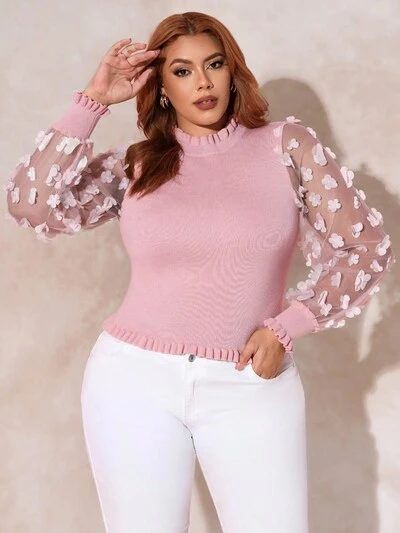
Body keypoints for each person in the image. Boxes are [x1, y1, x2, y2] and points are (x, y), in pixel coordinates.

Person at [5, 10, 395, 533]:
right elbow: (30, 204)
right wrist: (92, 100)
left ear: (233, 71)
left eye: (214, 64)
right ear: (162, 87)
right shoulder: (137, 164)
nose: (203, 82)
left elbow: (366, 248)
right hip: (132, 381)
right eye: (182, 71)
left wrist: (287, 327)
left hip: (249, 383)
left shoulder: (286, 146)